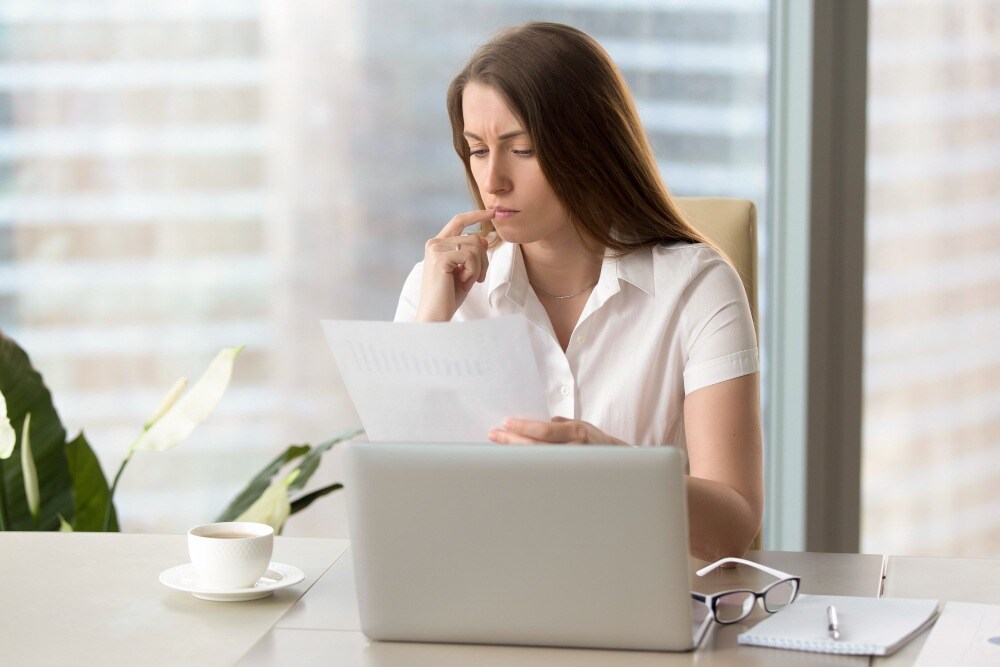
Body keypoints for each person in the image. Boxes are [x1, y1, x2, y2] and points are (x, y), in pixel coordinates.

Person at [394, 22, 762, 562]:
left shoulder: (697, 286)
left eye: (521, 149)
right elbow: (400, 510)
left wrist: (615, 470)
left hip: (643, 607)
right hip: (482, 601)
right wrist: (431, 324)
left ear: (589, 147)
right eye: (476, 150)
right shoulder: (439, 290)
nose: (492, 180)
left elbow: (733, 521)